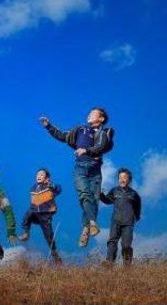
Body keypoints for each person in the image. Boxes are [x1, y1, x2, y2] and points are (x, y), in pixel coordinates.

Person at [39, 107, 114, 247]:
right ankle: (91, 223)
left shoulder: (104, 133)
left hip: (95, 169)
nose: (89, 114)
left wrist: (86, 150)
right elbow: (62, 135)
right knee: (85, 195)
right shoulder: (81, 130)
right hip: (81, 167)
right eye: (89, 113)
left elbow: (101, 146)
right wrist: (48, 126)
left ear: (101, 118)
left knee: (94, 199)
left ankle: (86, 229)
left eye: (93, 113)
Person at [18, 168, 62, 263]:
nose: (39, 176)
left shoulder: (49, 187)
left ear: (47, 178)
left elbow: (58, 189)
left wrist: (51, 185)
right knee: (27, 215)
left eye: (42, 175)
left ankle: (55, 253)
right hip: (35, 212)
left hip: (45, 214)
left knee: (48, 235)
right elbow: (33, 201)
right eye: (38, 174)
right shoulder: (33, 188)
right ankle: (26, 233)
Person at [99, 168, 141, 265]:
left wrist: (135, 217)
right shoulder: (114, 191)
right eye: (120, 177)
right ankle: (109, 262)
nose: (122, 179)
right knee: (112, 242)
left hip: (128, 223)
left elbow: (138, 209)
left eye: (124, 177)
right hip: (115, 221)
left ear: (129, 180)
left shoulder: (134, 194)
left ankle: (127, 266)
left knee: (126, 245)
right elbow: (107, 200)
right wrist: (101, 194)